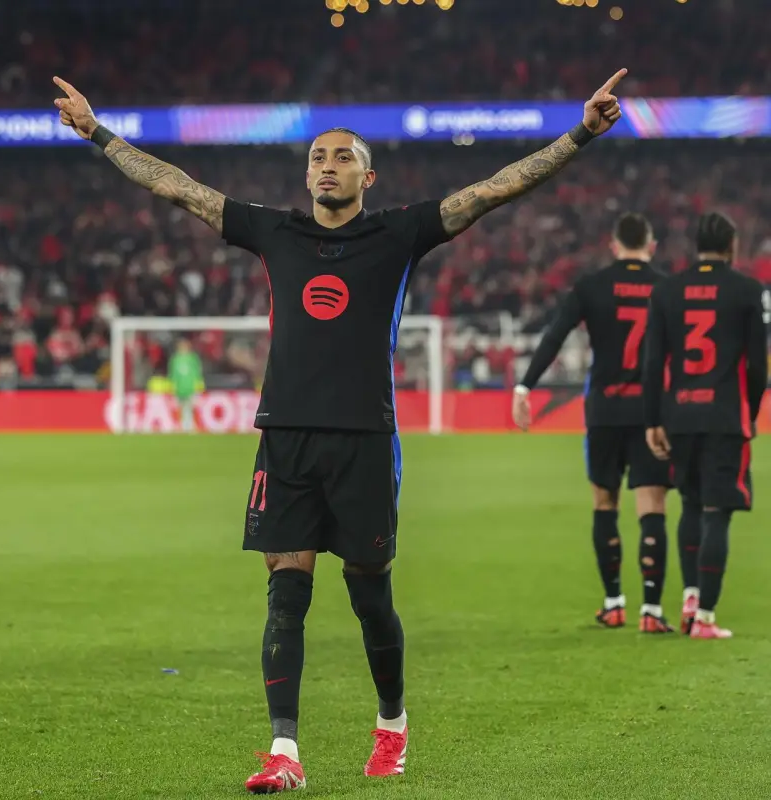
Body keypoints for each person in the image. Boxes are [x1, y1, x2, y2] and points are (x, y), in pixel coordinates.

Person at [55, 69, 628, 791]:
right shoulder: (274, 229)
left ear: (368, 173)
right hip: (287, 435)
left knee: (368, 594)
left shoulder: (398, 233)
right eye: (317, 158)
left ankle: (391, 724)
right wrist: (98, 132)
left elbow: (494, 189)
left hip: (364, 437)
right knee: (285, 593)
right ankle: (283, 753)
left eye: (341, 157)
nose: (325, 167)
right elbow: (177, 187)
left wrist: (579, 133)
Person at [512, 213, 675, 633]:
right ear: (651, 245)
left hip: (603, 410)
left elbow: (555, 335)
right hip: (652, 413)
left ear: (614, 245)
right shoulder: (668, 288)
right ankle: (652, 611)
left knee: (605, 503)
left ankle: (614, 602)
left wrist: (524, 387)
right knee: (652, 506)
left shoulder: (591, 287)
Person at [642, 212, 767, 640]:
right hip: (725, 416)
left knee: (691, 507)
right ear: (731, 245)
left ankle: (691, 598)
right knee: (718, 512)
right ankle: (706, 619)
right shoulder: (749, 291)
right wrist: (747, 412)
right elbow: (756, 365)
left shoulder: (666, 291)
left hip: (679, 415)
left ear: (697, 245)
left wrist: (653, 419)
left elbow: (652, 361)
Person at [169, 337, 204, 432]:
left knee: (191, 407)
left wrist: (199, 383)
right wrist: (173, 385)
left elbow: (197, 372)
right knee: (181, 407)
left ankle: (191, 426)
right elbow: (173, 374)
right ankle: (183, 426)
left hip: (191, 387)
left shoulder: (193, 358)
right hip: (180, 388)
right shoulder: (175, 359)